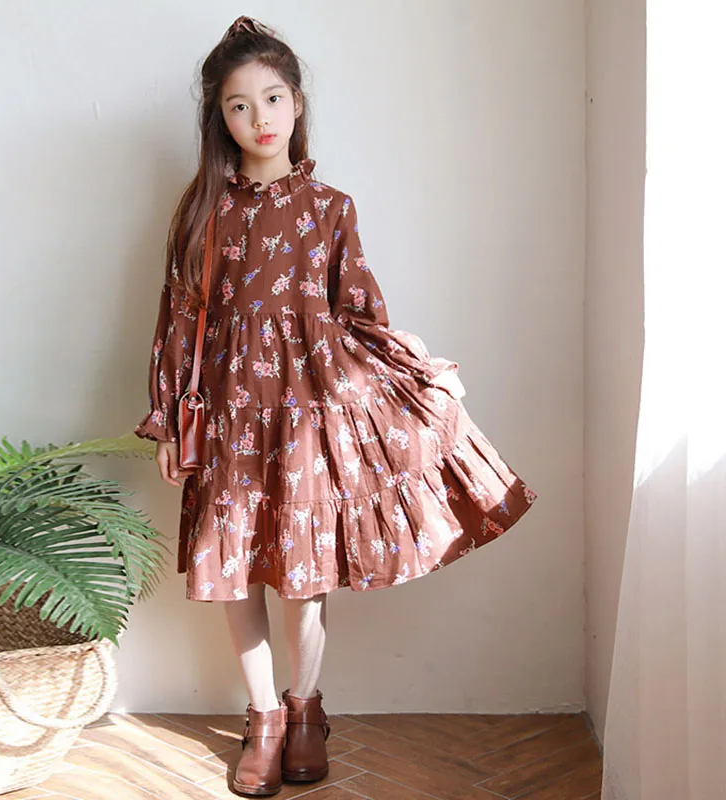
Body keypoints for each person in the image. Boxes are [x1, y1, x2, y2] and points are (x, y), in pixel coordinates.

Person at [134, 14, 538, 798]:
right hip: (228, 419)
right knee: (233, 570)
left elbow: (358, 316)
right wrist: (167, 421)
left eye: (272, 98)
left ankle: (306, 709)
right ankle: (263, 718)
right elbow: (178, 321)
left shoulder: (330, 208)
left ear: (296, 102)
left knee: (302, 572)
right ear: (219, 118)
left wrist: (412, 374)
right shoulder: (201, 213)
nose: (258, 118)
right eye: (238, 105)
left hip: (306, 419)